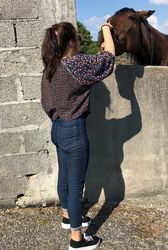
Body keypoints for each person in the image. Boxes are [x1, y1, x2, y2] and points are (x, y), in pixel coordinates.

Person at [40, 21, 115, 250]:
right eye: (78, 39)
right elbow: (110, 58)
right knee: (75, 186)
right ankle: (77, 239)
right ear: (72, 41)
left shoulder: (50, 69)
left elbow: (45, 103)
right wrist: (105, 29)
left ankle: (67, 216)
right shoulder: (77, 63)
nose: (81, 42)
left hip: (58, 128)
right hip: (74, 130)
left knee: (64, 176)